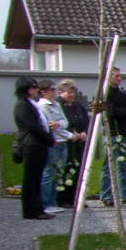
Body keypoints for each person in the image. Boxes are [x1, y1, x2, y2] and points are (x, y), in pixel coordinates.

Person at [13, 77, 54, 220]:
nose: (37, 90)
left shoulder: (31, 104)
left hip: (39, 145)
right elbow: (32, 126)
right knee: (31, 178)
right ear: (27, 90)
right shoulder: (23, 106)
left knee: (36, 178)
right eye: (34, 87)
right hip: (32, 145)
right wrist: (48, 138)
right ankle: (31, 210)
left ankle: (37, 207)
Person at [98, 66, 126, 207]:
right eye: (116, 76)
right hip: (112, 133)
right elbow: (110, 113)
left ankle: (125, 194)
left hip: (124, 133)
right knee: (108, 166)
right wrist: (124, 111)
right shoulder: (104, 95)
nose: (119, 78)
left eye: (120, 76)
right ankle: (106, 195)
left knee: (123, 166)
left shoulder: (123, 96)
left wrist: (123, 111)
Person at [36, 81, 70, 212]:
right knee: (49, 172)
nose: (54, 92)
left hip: (62, 141)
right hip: (53, 141)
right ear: (43, 92)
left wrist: (59, 124)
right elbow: (50, 125)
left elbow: (65, 122)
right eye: (51, 89)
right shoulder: (42, 105)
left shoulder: (56, 104)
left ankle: (53, 201)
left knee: (58, 172)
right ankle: (46, 203)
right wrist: (69, 134)